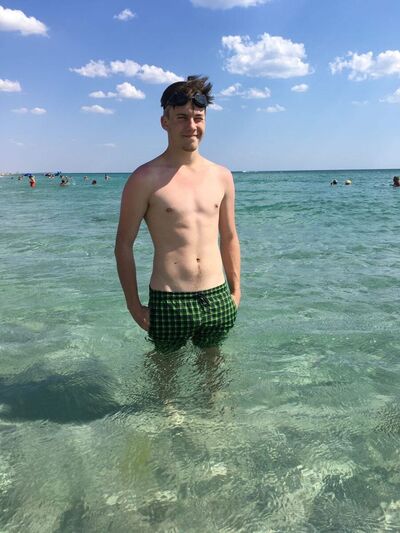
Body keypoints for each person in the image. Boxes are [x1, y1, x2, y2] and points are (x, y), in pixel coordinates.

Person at [115, 75, 240, 353]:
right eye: (182, 117)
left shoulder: (222, 176)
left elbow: (230, 237)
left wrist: (236, 292)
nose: (191, 126)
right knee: (164, 373)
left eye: (198, 118)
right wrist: (134, 306)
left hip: (217, 295)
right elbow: (123, 244)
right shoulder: (144, 178)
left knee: (214, 368)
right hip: (169, 299)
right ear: (165, 122)